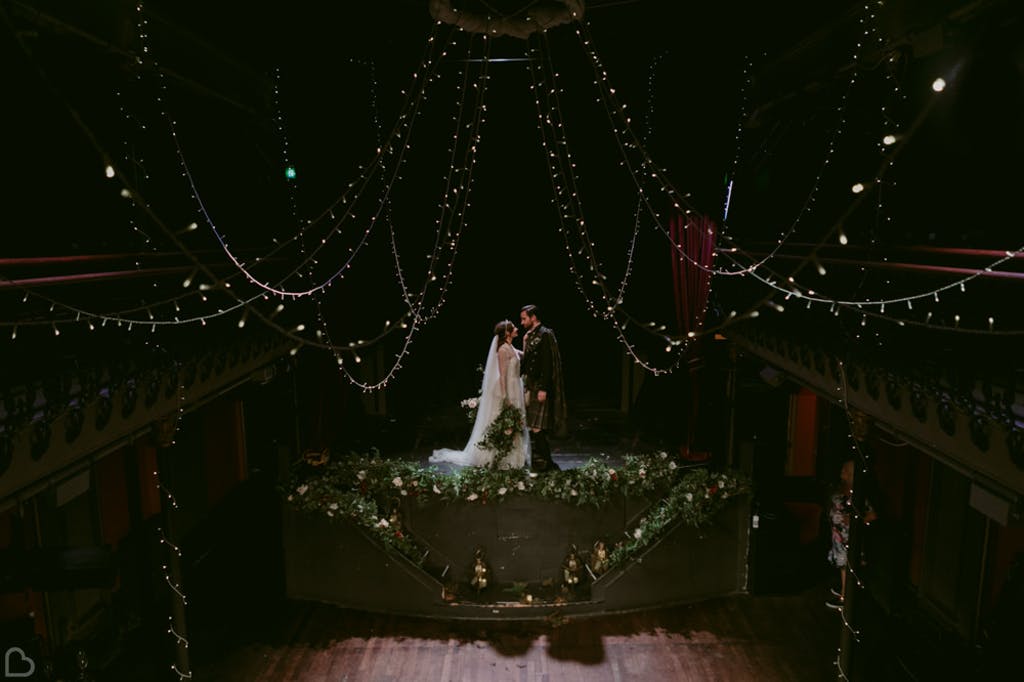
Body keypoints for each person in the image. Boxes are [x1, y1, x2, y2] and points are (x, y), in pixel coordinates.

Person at [430, 320, 530, 469]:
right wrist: (505, 396)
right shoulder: (502, 350)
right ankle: (496, 456)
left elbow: (525, 356)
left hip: (515, 386)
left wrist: (525, 341)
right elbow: (502, 375)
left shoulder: (510, 347)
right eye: (513, 327)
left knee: (514, 421)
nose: (517, 328)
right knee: (502, 421)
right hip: (507, 388)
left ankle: (513, 456)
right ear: (507, 333)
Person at [519, 305, 567, 472]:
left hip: (539, 386)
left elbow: (547, 363)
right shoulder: (530, 335)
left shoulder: (545, 334)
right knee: (533, 426)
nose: (522, 322)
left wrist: (543, 388)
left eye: (524, 318)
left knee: (538, 427)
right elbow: (526, 362)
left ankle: (548, 464)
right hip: (531, 385)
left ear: (533, 317)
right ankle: (542, 462)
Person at [826, 458, 876, 610]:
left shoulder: (856, 495)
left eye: (845, 471)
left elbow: (872, 515)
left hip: (847, 537)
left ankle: (845, 596)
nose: (842, 473)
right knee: (841, 565)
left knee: (845, 566)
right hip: (838, 535)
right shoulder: (842, 489)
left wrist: (856, 520)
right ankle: (842, 589)